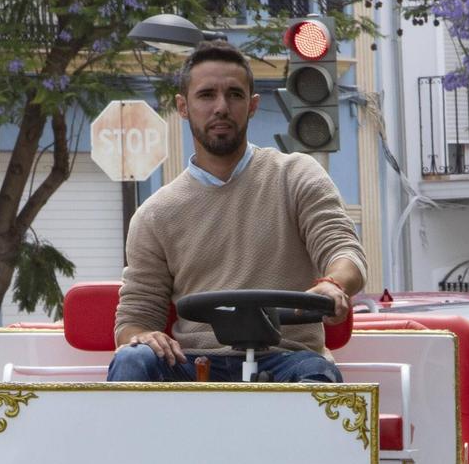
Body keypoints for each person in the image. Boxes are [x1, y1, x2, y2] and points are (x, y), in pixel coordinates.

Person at [108, 39, 367, 383]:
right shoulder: (156, 213)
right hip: (194, 364)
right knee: (133, 360)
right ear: (183, 107)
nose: (221, 107)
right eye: (206, 95)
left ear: (253, 105)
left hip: (287, 359)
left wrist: (334, 284)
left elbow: (343, 250)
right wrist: (139, 336)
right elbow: (135, 316)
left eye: (234, 95)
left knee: (317, 374)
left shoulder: (296, 175)